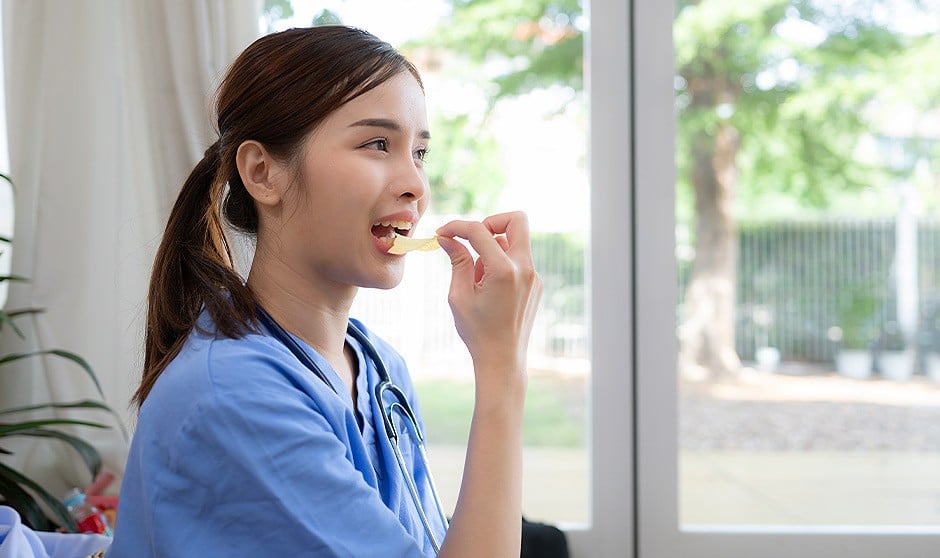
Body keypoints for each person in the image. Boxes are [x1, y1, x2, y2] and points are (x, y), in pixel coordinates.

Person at [107, 25, 542, 558]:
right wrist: (502, 365)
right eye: (377, 144)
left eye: (420, 152)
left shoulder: (378, 366)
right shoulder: (233, 398)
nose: (416, 184)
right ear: (263, 173)